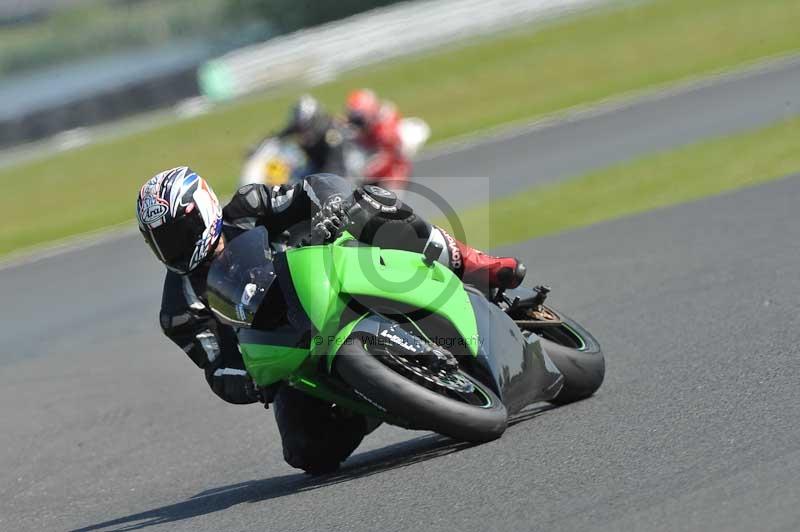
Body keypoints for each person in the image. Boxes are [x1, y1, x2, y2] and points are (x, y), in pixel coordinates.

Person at [136, 166, 525, 473]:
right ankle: (378, 398)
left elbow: (316, 186)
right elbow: (219, 370)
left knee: (371, 204)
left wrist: (334, 205)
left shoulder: (251, 205)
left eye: (179, 232)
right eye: (160, 241)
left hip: (334, 277)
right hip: (290, 352)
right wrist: (253, 381)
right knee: (306, 454)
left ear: (204, 209)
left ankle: (473, 264)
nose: (174, 247)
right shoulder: (180, 312)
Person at [345, 88, 410, 184]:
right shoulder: (358, 127)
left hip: (391, 168)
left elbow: (387, 157)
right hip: (370, 152)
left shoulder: (385, 130)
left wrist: (363, 174)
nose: (355, 123)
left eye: (358, 120)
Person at [274, 94, 347, 176]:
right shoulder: (305, 127)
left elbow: (335, 165)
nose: (302, 130)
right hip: (315, 167)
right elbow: (286, 132)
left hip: (334, 173)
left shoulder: (331, 134)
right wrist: (273, 139)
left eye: (305, 126)